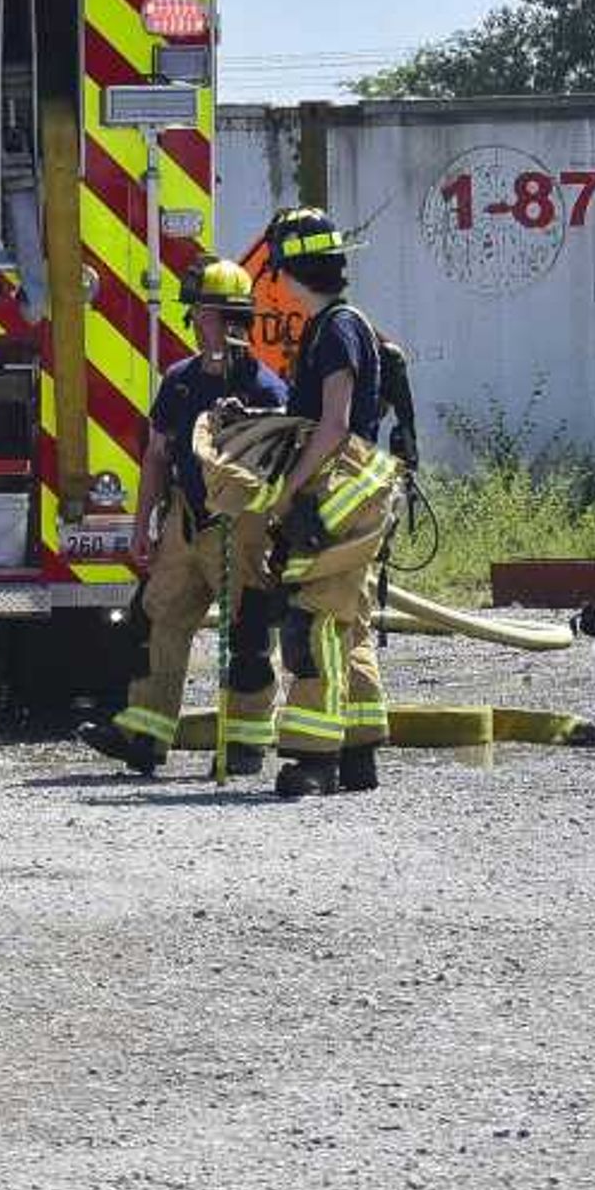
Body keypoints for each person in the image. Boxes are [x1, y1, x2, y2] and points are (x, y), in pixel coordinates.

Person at [79, 261, 284, 777]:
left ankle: (244, 743)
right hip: (184, 522)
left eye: (204, 314)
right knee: (157, 621)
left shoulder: (268, 392)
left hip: (242, 528)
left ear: (232, 319)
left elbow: (280, 470)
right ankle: (144, 735)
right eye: (198, 315)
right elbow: (157, 454)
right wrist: (141, 522)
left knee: (249, 635)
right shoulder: (180, 382)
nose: (199, 324)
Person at [256, 207, 403, 799]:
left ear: (293, 268)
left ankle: (315, 760)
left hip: (339, 486)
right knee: (351, 621)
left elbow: (335, 422)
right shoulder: (344, 325)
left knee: (313, 620)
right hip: (360, 484)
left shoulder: (335, 329)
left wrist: (287, 491)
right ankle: (361, 752)